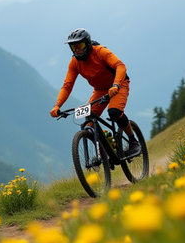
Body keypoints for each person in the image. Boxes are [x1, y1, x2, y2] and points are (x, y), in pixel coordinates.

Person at [50, 28, 141, 157]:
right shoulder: (74, 63)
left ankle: (133, 141)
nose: (77, 50)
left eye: (80, 46)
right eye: (73, 47)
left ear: (87, 43)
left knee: (114, 112)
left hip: (119, 84)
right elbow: (67, 86)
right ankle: (107, 143)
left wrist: (115, 85)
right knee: (89, 120)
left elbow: (120, 66)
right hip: (100, 90)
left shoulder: (100, 52)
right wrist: (57, 105)